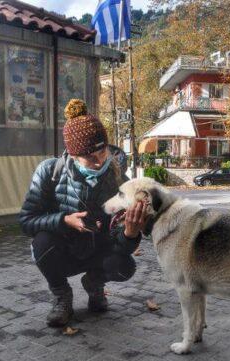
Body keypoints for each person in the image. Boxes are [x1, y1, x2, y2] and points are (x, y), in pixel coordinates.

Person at [19, 99, 147, 326]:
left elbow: (121, 245)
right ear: (73, 155)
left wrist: (130, 233)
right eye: (90, 157)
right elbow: (26, 222)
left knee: (125, 267)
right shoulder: (50, 171)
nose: (99, 161)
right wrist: (64, 220)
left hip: (99, 251)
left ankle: (95, 285)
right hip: (65, 250)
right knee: (41, 242)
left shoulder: (120, 181)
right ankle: (61, 296)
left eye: (102, 151)